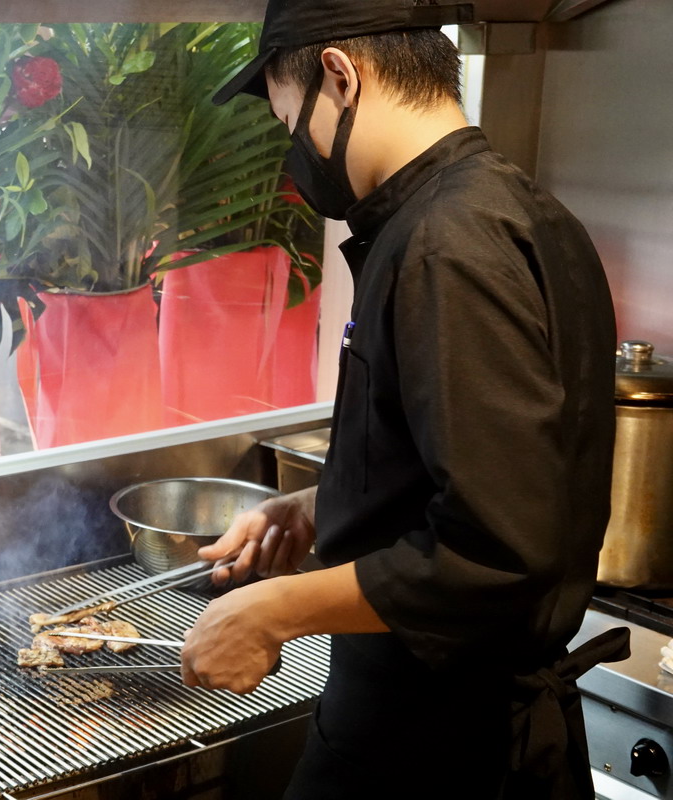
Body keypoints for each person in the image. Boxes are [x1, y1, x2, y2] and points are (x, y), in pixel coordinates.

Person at [180, 1, 629, 797]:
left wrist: (277, 610)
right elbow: (493, 467)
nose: (298, 156)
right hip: (447, 734)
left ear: (341, 77)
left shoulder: (447, 245)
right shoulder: (519, 210)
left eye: (294, 127)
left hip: (438, 751)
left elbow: (497, 552)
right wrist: (327, 504)